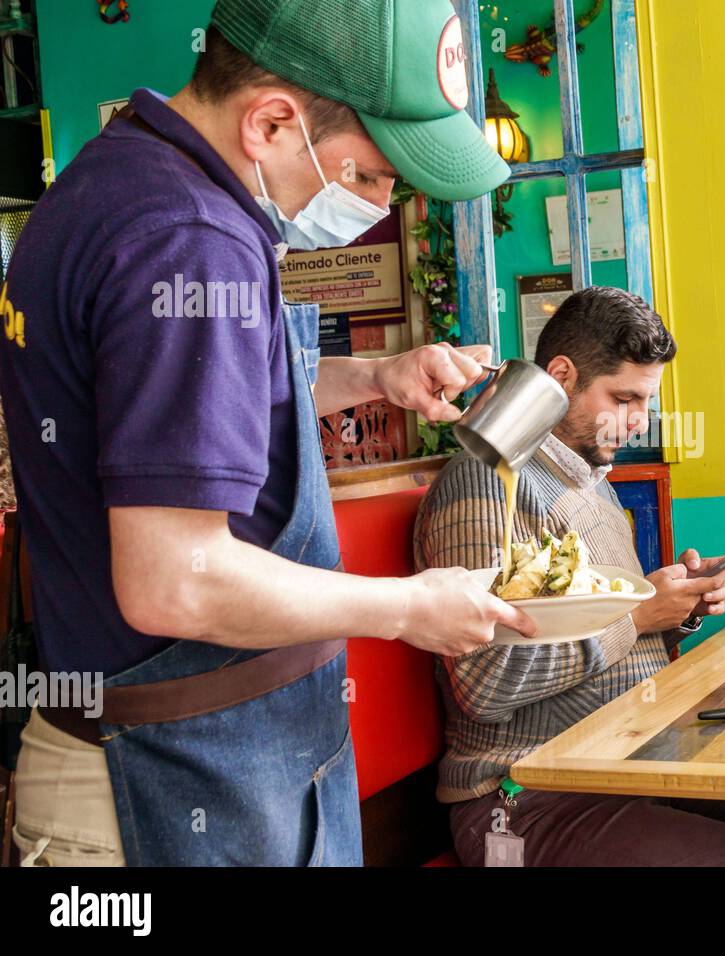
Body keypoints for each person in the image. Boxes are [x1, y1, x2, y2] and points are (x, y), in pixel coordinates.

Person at [0, 0, 535, 867]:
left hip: (221, 764)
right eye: (371, 173)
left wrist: (374, 378)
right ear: (273, 122)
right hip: (162, 788)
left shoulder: (130, 176)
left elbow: (173, 407)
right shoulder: (187, 239)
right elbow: (177, 580)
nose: (383, 200)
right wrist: (406, 609)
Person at [415, 286, 725, 866]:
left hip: (627, 762)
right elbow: (486, 687)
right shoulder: (485, 480)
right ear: (560, 375)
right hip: (524, 796)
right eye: (625, 398)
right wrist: (637, 617)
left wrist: (674, 610)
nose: (639, 422)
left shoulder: (596, 488)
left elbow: (603, 635)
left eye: (647, 401)